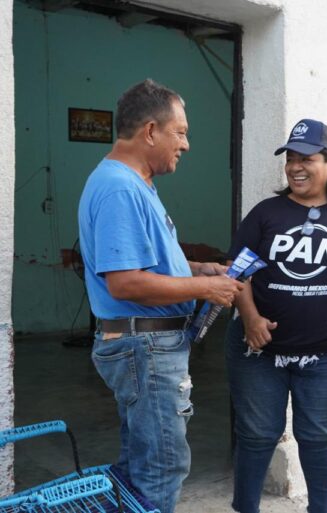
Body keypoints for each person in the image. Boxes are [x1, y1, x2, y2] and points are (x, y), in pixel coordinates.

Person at [77, 79, 244, 513]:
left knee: (140, 463)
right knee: (162, 466)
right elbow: (126, 283)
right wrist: (207, 287)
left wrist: (198, 269)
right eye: (181, 132)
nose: (185, 144)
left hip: (145, 346)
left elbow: (142, 264)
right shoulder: (120, 188)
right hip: (146, 348)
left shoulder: (134, 183)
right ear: (150, 131)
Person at [226, 118, 327, 513]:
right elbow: (237, 271)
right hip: (258, 353)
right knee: (257, 435)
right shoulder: (266, 214)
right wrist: (249, 318)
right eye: (291, 159)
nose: (296, 167)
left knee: (318, 437)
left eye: (307, 159)